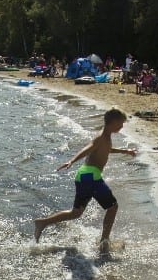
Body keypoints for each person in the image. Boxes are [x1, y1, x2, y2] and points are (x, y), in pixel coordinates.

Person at [34, 108, 137, 253]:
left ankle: (42, 222)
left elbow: (107, 149)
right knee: (112, 207)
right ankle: (104, 243)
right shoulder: (100, 137)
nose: (121, 126)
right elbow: (87, 148)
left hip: (85, 176)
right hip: (90, 176)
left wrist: (125, 151)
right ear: (112, 122)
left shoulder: (106, 137)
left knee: (76, 213)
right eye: (120, 124)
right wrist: (71, 160)